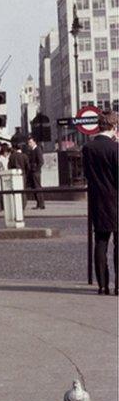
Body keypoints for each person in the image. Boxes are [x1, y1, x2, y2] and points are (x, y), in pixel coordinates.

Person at [81, 111, 118, 295]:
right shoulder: (116, 148)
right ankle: (118, 285)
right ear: (114, 127)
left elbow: (87, 174)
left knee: (100, 243)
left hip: (97, 201)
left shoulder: (88, 148)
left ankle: (102, 285)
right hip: (116, 201)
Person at [26, 135, 45, 209]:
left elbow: (41, 161)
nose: (29, 144)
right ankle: (38, 203)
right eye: (28, 142)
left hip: (36, 172)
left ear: (34, 142)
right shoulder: (31, 150)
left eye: (30, 142)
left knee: (38, 187)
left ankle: (41, 204)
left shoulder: (37, 149)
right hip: (32, 171)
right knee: (34, 188)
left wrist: (37, 169)